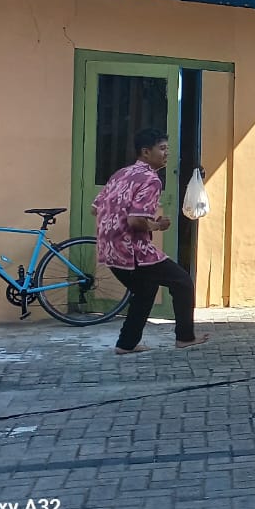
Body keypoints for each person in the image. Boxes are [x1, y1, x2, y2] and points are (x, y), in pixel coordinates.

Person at [93, 128, 209, 355]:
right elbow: (136, 220)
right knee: (183, 282)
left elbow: (94, 208)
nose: (166, 153)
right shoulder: (151, 180)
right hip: (132, 250)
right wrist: (156, 225)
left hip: (109, 249)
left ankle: (126, 344)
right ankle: (185, 338)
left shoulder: (120, 174)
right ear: (146, 152)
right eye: (162, 149)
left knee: (145, 290)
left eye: (167, 148)